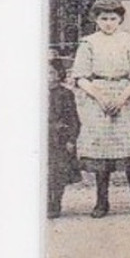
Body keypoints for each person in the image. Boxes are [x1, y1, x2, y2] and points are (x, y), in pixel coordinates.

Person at [70, 0, 130, 218]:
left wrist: (122, 98)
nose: (108, 23)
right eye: (103, 18)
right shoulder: (88, 43)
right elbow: (80, 76)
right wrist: (100, 97)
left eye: (113, 18)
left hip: (127, 95)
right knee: (103, 151)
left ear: (121, 19)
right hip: (98, 96)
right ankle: (101, 201)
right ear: (96, 20)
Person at [47, 56, 81, 219]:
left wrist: (71, 139)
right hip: (43, 139)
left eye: (52, 73)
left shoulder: (65, 94)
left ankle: (55, 203)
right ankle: (45, 202)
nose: (48, 76)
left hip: (59, 140)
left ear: (59, 74)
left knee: (57, 174)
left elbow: (74, 119)